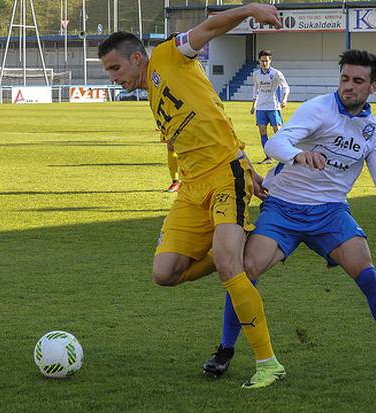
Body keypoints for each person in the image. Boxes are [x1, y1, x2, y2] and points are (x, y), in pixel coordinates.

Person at [202, 49, 376, 380]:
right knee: (245, 270)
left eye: (358, 81)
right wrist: (299, 156)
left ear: (373, 87)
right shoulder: (319, 108)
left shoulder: (374, 132)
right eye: (345, 78)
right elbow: (274, 145)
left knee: (369, 277)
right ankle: (225, 349)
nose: (349, 86)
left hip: (330, 213)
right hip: (283, 208)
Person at [98, 3, 286, 390]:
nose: (113, 78)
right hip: (191, 188)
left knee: (232, 268)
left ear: (137, 58)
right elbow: (214, 118)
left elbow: (212, 26)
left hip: (222, 178)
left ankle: (268, 363)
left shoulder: (170, 55)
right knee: (164, 274)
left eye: (115, 68)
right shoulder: (151, 93)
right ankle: (230, 245)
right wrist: (250, 163)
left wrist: (251, 8)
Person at [251, 49, 290, 164]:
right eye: (262, 61)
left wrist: (284, 99)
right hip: (261, 108)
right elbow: (255, 89)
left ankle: (283, 156)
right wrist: (253, 105)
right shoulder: (256, 74)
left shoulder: (276, 73)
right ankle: (268, 157)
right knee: (262, 132)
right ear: (259, 61)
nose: (264, 63)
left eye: (266, 61)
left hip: (273, 107)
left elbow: (286, 87)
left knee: (278, 133)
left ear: (270, 60)